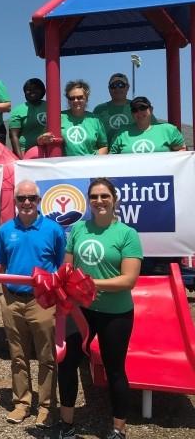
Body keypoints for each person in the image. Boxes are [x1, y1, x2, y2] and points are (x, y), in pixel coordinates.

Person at [57, 178, 142, 439]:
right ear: (89, 200)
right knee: (67, 363)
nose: (99, 201)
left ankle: (118, 428)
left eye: (104, 196)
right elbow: (67, 269)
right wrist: (59, 282)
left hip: (115, 313)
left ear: (114, 199)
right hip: (79, 310)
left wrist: (91, 283)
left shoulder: (127, 234)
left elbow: (129, 279)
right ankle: (67, 424)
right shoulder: (79, 229)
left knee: (114, 368)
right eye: (94, 196)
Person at [0, 180, 66, 429]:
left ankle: (46, 406)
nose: (26, 203)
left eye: (31, 198)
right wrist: (7, 296)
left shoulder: (53, 230)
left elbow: (59, 265)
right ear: (15, 202)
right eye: (21, 198)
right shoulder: (5, 231)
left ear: (39, 200)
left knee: (46, 356)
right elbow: (1, 266)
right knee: (17, 355)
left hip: (42, 301)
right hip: (13, 300)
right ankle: (22, 402)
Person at [39, 80, 108, 156]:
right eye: (72, 98)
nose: (75, 100)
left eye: (80, 97)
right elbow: (41, 140)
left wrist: (94, 162)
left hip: (90, 166)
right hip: (65, 166)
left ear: (87, 98)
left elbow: (103, 146)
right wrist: (42, 139)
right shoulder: (58, 117)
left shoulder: (95, 120)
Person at [109, 96, 185, 154]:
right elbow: (111, 157)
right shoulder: (122, 133)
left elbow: (182, 152)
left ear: (151, 110)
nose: (139, 112)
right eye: (135, 110)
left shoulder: (168, 130)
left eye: (143, 108)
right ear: (132, 114)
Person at [9, 78, 47, 158]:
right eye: (28, 89)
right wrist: (20, 159)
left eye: (35, 88)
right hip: (25, 153)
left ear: (42, 90)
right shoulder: (18, 110)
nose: (32, 91)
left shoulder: (50, 106)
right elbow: (13, 136)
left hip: (47, 151)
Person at [93, 73, 133, 140]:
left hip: (131, 150)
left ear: (127, 87)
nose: (117, 88)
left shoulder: (138, 107)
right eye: (113, 86)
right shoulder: (99, 110)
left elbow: (153, 129)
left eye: (121, 85)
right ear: (109, 88)